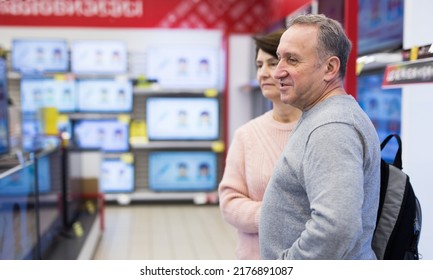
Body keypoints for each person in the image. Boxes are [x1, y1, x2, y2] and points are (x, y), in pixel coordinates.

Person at [259, 14, 381, 260]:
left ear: (330, 68)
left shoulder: (332, 127)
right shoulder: (322, 116)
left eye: (292, 60)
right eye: (279, 58)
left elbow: (337, 228)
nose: (278, 71)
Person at [218, 29, 301, 260]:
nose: (263, 73)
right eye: (259, 65)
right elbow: (229, 202)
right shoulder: (247, 135)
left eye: (272, 63)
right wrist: (274, 215)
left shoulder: (320, 131)